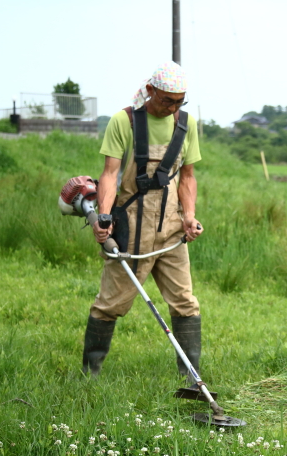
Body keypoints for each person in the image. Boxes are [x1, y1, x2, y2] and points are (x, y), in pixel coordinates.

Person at [83, 61, 204, 384]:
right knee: (110, 304)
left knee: (185, 302)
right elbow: (109, 174)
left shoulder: (186, 125)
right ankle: (90, 374)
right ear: (150, 91)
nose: (173, 107)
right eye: (167, 100)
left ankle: (190, 377)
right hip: (131, 228)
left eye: (180, 101)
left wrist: (189, 217)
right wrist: (104, 217)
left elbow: (188, 177)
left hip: (171, 229)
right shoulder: (125, 121)